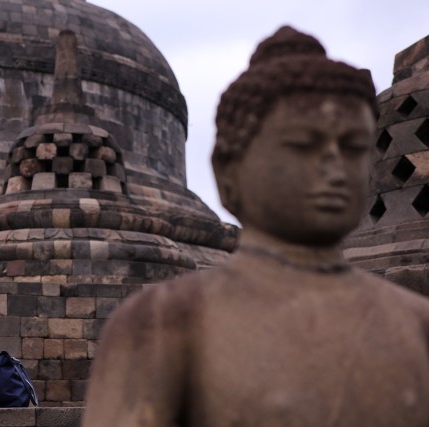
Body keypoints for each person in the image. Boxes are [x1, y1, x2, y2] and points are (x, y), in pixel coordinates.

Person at [83, 26, 429, 426]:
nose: (335, 167)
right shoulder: (165, 322)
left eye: (353, 148)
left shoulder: (417, 325)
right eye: (302, 145)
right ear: (228, 170)